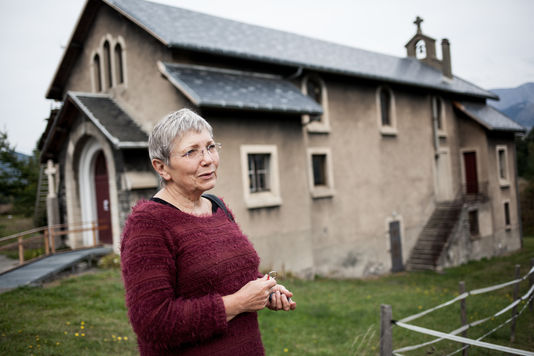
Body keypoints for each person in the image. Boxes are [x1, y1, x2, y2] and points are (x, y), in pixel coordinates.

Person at [121, 108, 296, 355]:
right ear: (162, 168)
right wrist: (238, 303)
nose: (208, 159)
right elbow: (153, 322)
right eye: (191, 151)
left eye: (211, 147)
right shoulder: (149, 223)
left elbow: (225, 278)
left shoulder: (218, 207)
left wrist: (262, 290)